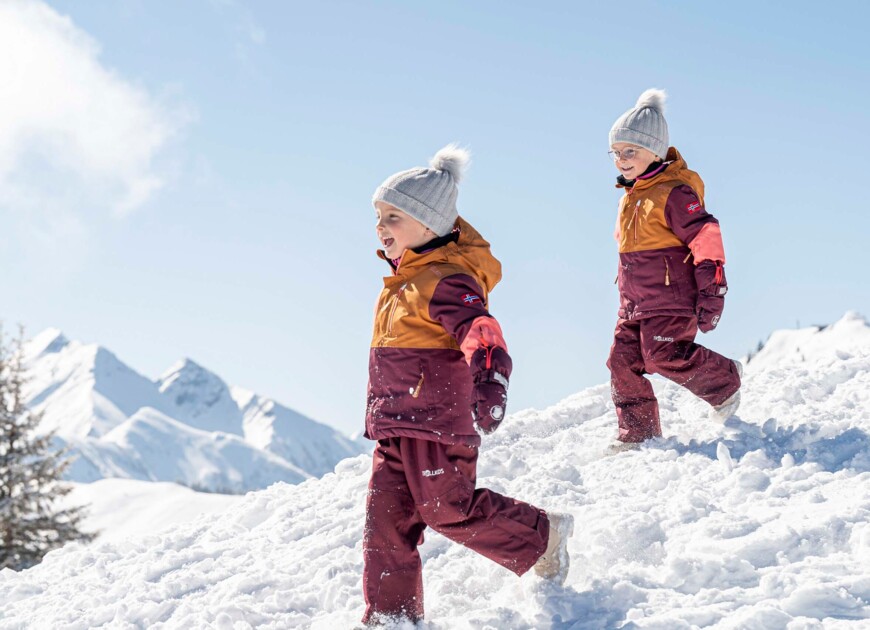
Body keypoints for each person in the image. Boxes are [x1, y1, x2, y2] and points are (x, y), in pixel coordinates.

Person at [361, 144, 573, 625]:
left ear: (429, 224)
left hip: (436, 425)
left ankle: (541, 535)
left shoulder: (446, 279)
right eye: (378, 215)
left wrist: (491, 377)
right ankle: (392, 618)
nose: (380, 227)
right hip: (395, 426)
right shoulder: (400, 282)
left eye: (392, 217)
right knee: (384, 528)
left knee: (446, 509)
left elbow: (481, 331)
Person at [606, 89, 742, 452]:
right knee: (621, 363)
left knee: (663, 355)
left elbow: (706, 238)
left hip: (672, 299)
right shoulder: (628, 199)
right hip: (635, 304)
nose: (621, 159)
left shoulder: (675, 193)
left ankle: (725, 380)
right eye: (616, 152)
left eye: (630, 150)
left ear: (656, 150)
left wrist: (712, 290)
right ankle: (639, 434)